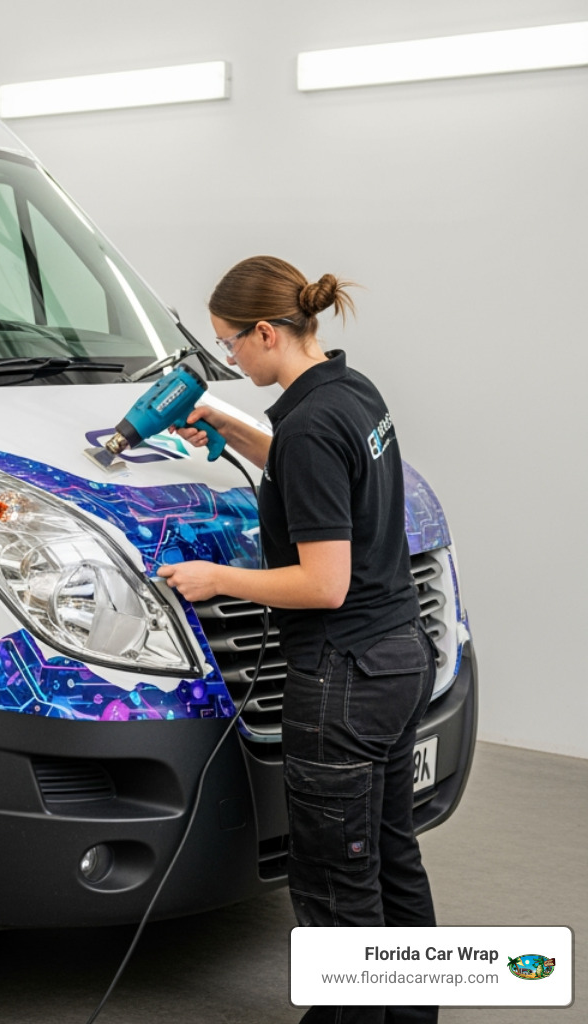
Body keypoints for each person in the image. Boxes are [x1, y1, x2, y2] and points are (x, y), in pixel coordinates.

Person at [158, 256, 438, 1024]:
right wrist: (230, 425)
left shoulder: (308, 424)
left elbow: (323, 583)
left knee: (333, 886)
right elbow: (315, 472)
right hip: (398, 657)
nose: (228, 360)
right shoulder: (351, 392)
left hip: (342, 679)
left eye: (230, 344)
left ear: (264, 332)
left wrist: (218, 578)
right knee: (389, 858)